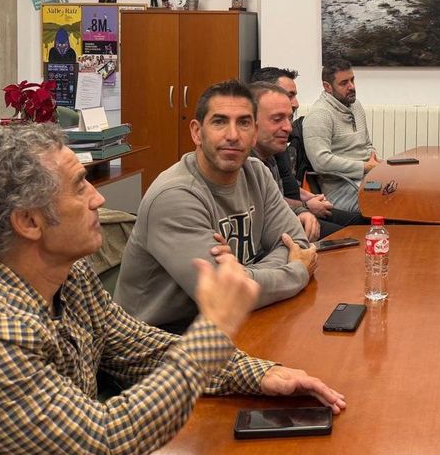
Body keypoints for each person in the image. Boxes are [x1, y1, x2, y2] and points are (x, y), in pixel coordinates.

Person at [0, 124, 345, 453]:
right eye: (79, 185)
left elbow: (141, 350)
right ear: (29, 222)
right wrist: (215, 327)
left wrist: (260, 374)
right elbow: (103, 440)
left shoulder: (68, 278)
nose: (98, 200)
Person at [114, 80, 317, 334]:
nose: (232, 135)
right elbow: (225, 293)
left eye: (243, 122)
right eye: (219, 121)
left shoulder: (256, 173)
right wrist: (296, 270)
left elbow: (297, 243)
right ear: (197, 132)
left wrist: (245, 275)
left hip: (230, 324)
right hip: (159, 343)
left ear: (254, 133)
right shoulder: (175, 196)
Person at [249, 68, 364, 238]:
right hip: (289, 223)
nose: (295, 103)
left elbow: (280, 196)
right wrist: (306, 207)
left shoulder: (272, 151)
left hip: (296, 213)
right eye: (289, 95)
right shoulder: (249, 162)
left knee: (364, 227)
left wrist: (310, 201)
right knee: (353, 237)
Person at [303, 58, 379, 213]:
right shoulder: (319, 115)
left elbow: (367, 144)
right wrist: (365, 167)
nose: (351, 87)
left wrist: (375, 159)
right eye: (344, 83)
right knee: (392, 203)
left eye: (352, 80)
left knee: (407, 190)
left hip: (366, 181)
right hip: (341, 190)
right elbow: (321, 162)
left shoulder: (355, 105)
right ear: (327, 87)